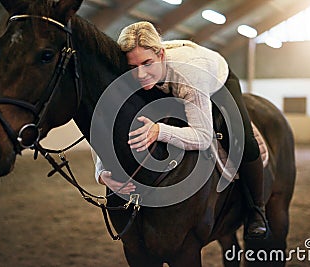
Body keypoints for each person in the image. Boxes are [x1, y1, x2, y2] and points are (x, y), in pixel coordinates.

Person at [95, 21, 268, 239]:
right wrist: (101, 173)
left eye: (148, 63)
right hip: (167, 83)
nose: (140, 75)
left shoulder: (189, 75)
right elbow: (106, 122)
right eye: (133, 67)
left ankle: (257, 211)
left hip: (215, 81)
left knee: (243, 138)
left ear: (161, 55)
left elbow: (204, 137)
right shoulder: (136, 73)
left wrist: (159, 131)